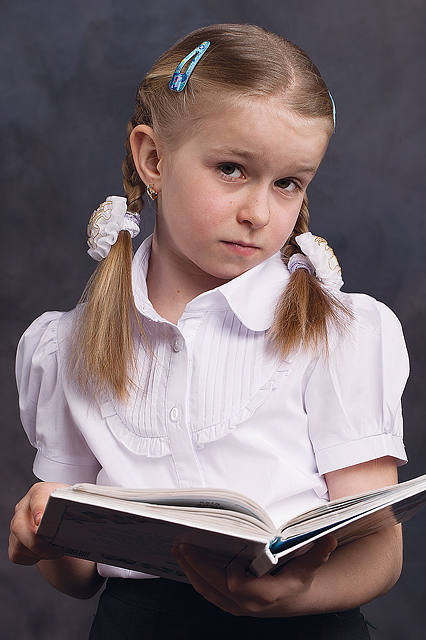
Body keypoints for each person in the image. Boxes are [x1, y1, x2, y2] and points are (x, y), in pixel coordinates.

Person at [9, 23, 409, 639]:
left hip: (306, 623)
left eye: (288, 183)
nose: (258, 212)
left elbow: (379, 552)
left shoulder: (337, 334)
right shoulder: (69, 346)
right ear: (153, 159)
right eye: (231, 169)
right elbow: (78, 576)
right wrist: (45, 537)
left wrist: (295, 595)